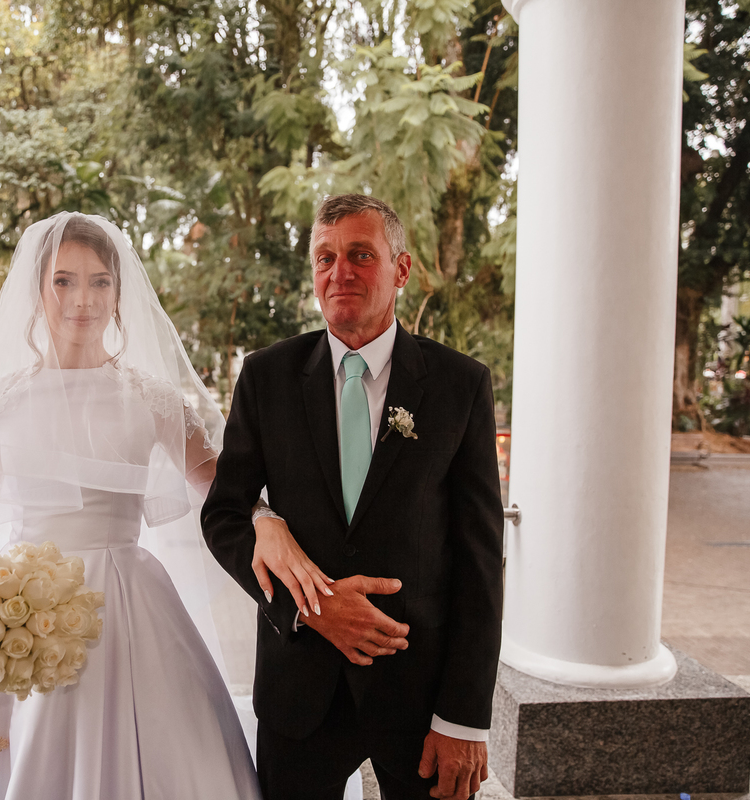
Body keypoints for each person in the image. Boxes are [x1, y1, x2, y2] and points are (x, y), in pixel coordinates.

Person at [0, 212, 294, 799]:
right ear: (39, 291)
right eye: (64, 280)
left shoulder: (153, 399)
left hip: (126, 600)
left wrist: (266, 519)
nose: (82, 299)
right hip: (15, 600)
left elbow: (221, 489)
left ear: (118, 295)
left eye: (99, 282)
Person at [202, 194, 504, 800]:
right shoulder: (267, 376)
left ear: (401, 268)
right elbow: (225, 513)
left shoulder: (460, 384)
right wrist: (308, 606)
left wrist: (464, 719)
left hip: (420, 698)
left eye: (361, 255)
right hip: (298, 691)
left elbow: (479, 561)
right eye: (325, 258)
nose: (339, 272)